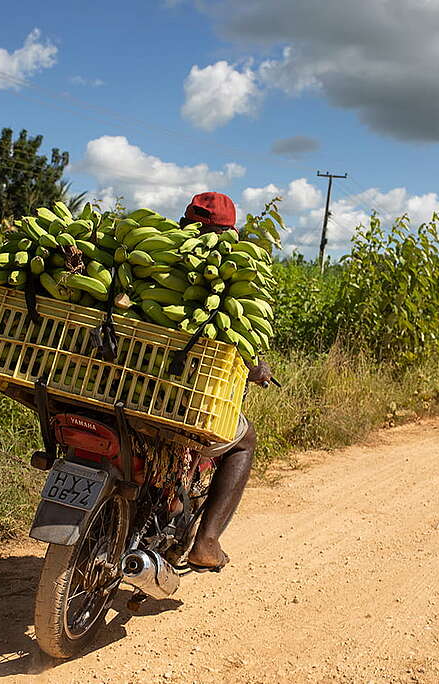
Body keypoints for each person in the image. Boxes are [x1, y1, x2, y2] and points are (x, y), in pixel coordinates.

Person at [178, 192, 271, 571]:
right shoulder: (227, 271)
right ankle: (207, 541)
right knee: (243, 442)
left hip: (119, 383)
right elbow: (231, 338)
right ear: (227, 233)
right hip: (186, 399)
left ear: (186, 223)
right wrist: (255, 366)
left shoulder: (160, 255)